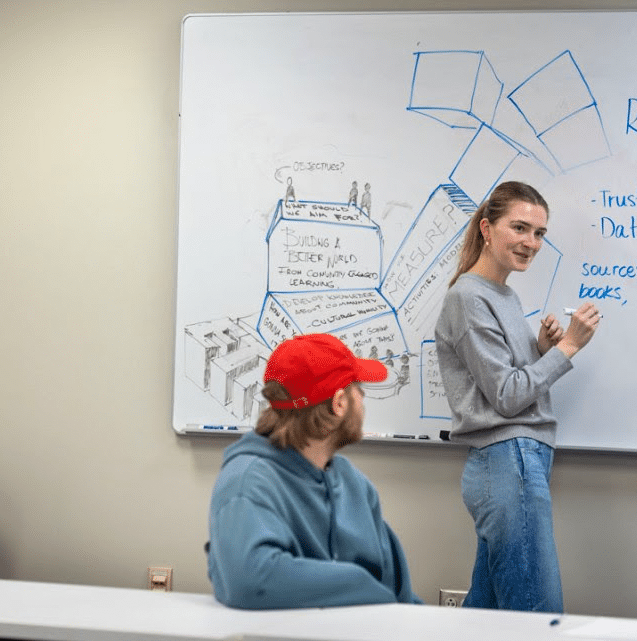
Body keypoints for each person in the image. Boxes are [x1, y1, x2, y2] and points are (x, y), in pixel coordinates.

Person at [433, 180, 601, 613]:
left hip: (518, 459)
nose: (531, 243)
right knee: (536, 615)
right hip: (508, 459)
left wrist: (541, 350)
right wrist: (568, 348)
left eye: (539, 233)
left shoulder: (502, 294)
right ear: (487, 229)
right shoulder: (469, 297)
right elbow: (508, 396)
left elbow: (506, 380)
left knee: (488, 613)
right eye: (520, 228)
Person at [206, 333, 421, 609]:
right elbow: (251, 580)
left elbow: (395, 588)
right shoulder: (247, 482)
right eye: (358, 388)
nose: (363, 396)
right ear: (339, 403)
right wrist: (362, 584)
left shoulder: (354, 484)